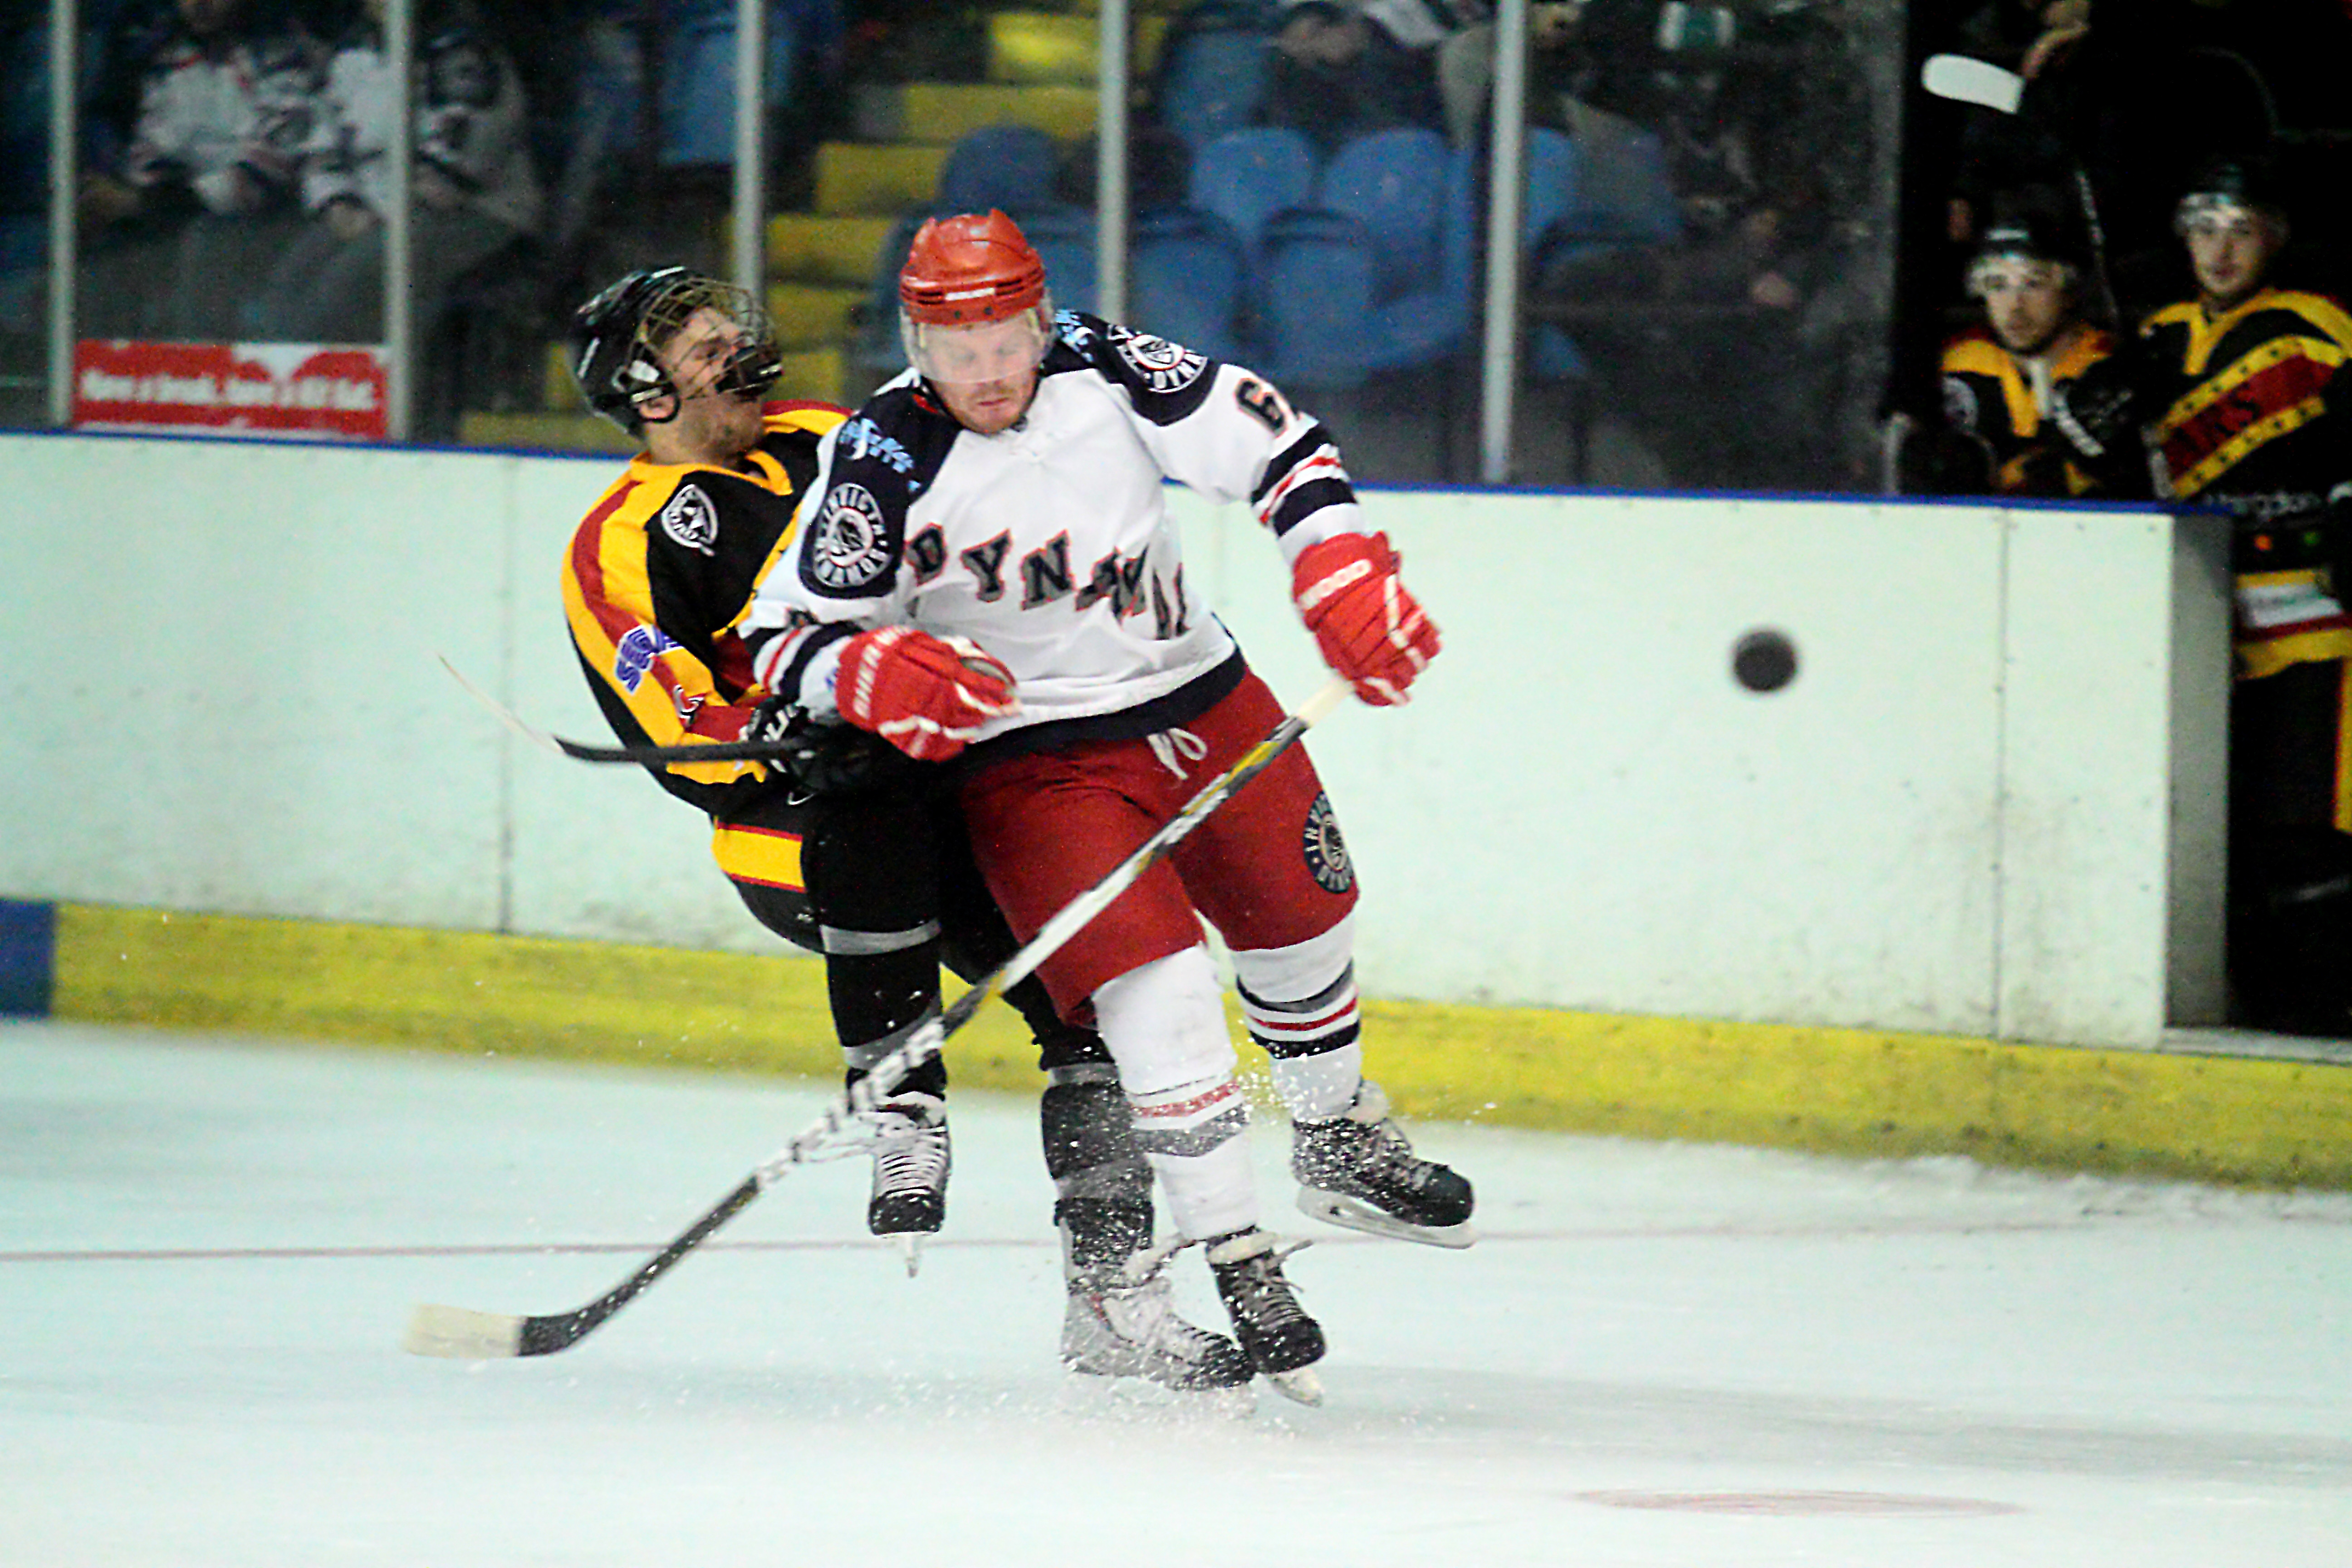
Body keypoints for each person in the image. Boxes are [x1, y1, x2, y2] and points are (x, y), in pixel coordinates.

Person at [738, 210, 1478, 1400]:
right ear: (917, 342)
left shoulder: (1109, 364)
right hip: (1037, 760)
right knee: (1160, 997)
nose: (986, 373)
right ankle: (1238, 1259)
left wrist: (1339, 565)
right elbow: (784, 638)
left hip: (1205, 696)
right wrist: (866, 669)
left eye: (1004, 344)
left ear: (1041, 322)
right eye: (955, 351)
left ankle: (1336, 1130)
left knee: (1305, 916)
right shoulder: (881, 459)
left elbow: (1281, 446)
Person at [559, 267, 1255, 1394]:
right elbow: (677, 727)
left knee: (1099, 1009)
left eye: (733, 330)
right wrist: (793, 728)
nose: (738, 348)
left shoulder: (825, 435)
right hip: (795, 827)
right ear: (648, 394)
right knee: (869, 792)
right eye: (703, 348)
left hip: (944, 787)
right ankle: (901, 1098)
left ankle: (1113, 1302)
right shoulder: (623, 544)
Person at [2053, 157, 2352, 1034]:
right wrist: (2102, 410)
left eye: (2239, 231)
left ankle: (2313, 989)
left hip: (2304, 614)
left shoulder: (2317, 325)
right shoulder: (2155, 334)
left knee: (2299, 819)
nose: (2219, 251)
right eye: (2203, 231)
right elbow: (2085, 454)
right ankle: (2241, 984)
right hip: (2191, 616)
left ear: (2273, 239)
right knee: (2209, 821)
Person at [251, 0, 543, 348]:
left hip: (472, 211)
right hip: (372, 207)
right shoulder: (351, 57)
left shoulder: (465, 53)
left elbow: (462, 160)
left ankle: (343, 378)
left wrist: (377, 211)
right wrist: (338, 202)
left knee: (350, 280)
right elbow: (323, 139)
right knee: (289, 279)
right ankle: (276, 376)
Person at [75, 0, 326, 340]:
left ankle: (194, 362)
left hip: (274, 222)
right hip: (184, 207)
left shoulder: (285, 55)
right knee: (103, 231)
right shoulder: (168, 59)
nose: (199, 3)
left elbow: (270, 169)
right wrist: (144, 200)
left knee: (204, 239)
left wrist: (149, 203)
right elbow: (152, 150)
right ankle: (107, 366)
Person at [1934, 207, 2118, 497]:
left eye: (2033, 284)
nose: (2015, 306)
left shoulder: (2108, 366)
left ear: (2068, 291)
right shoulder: (1959, 364)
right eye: (1997, 285)